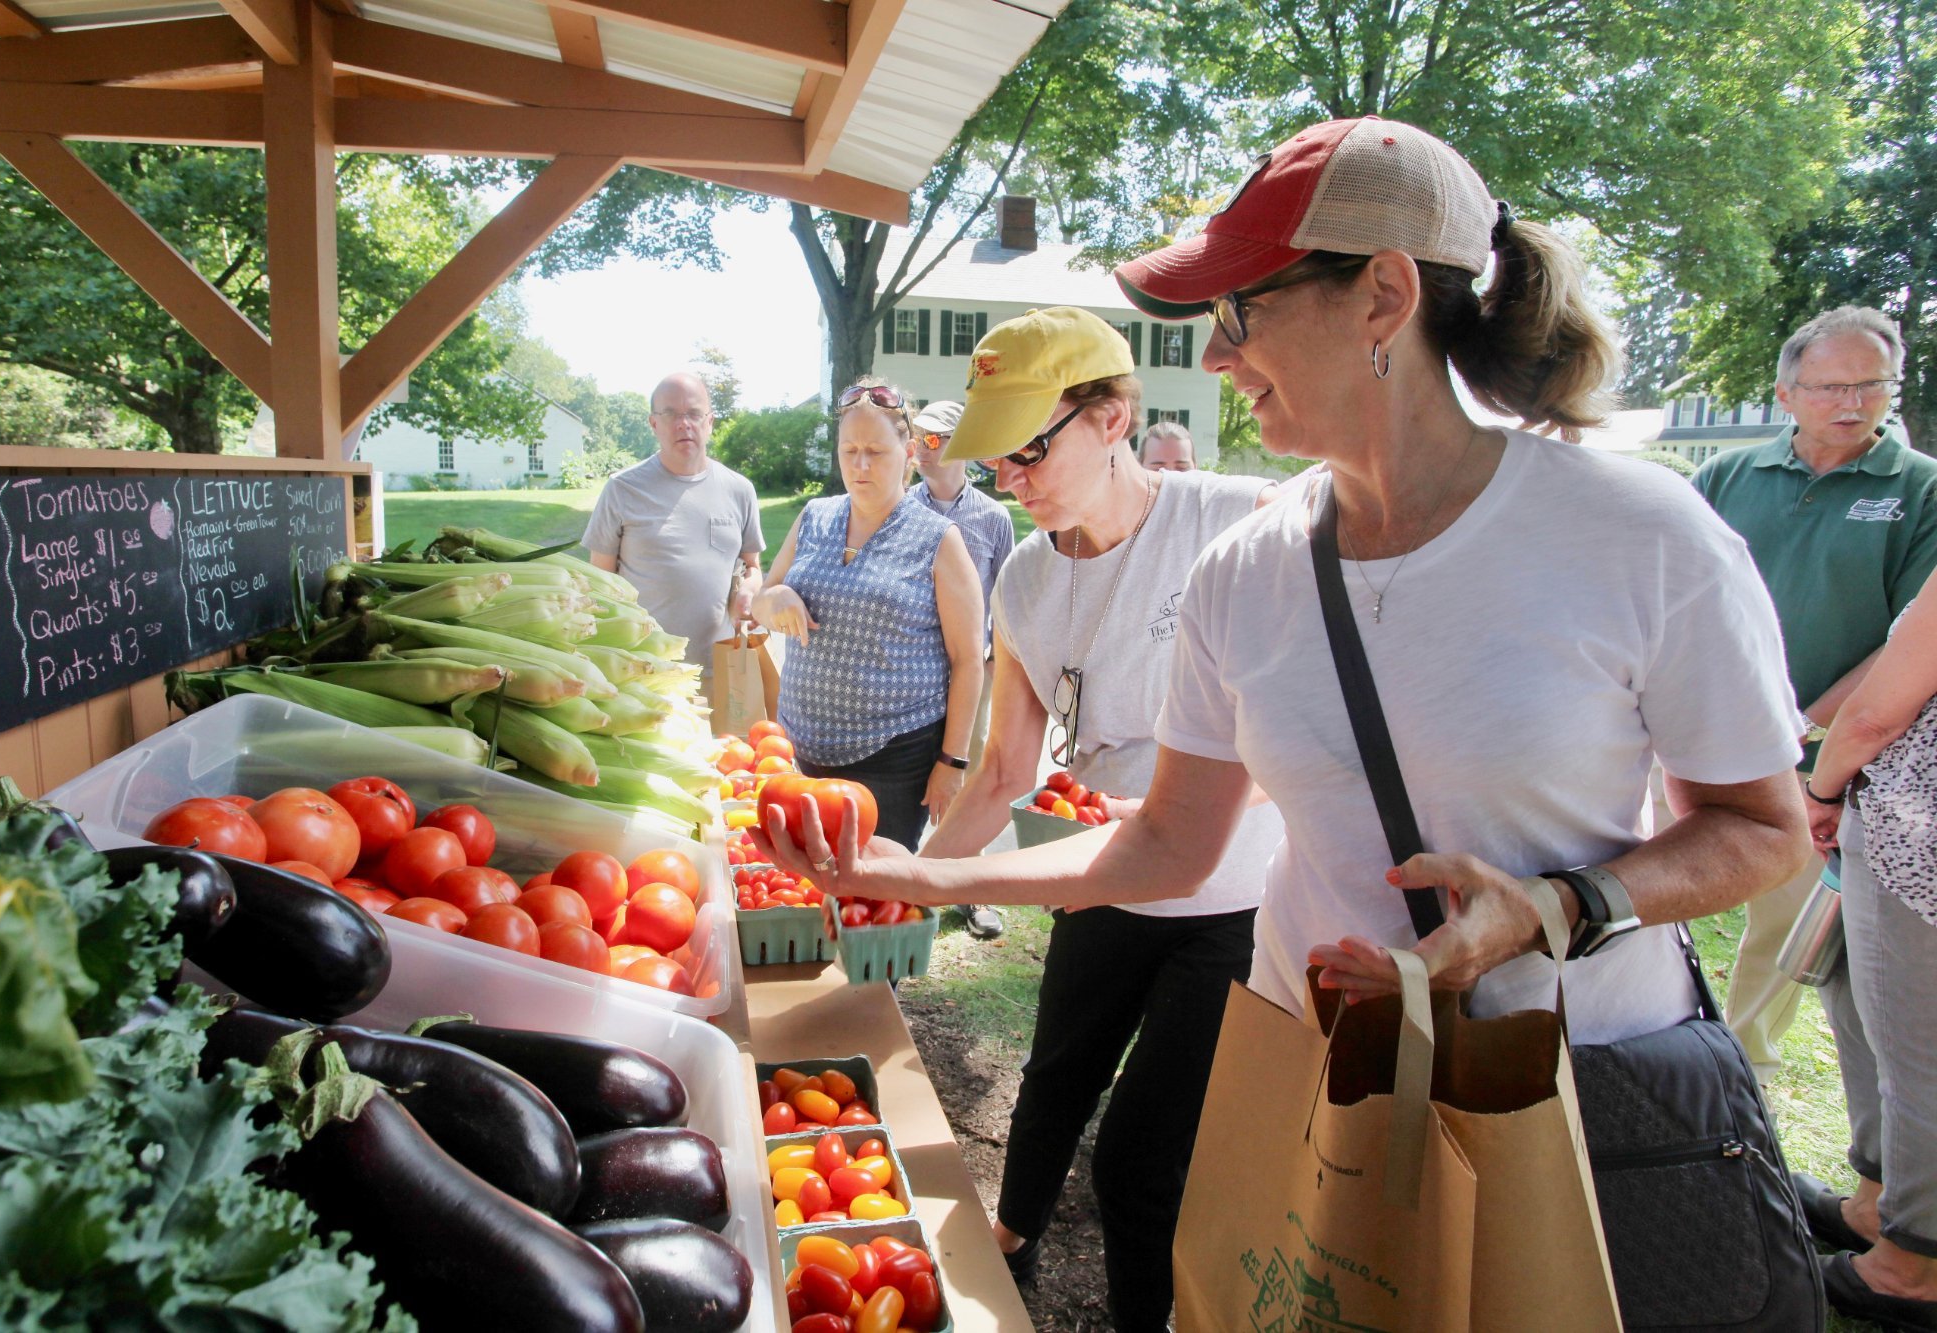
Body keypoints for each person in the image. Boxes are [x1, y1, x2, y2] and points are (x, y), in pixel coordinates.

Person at [750, 118, 1811, 1325]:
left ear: (1384, 297)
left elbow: (1766, 832)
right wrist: (924, 876)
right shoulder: (1244, 575)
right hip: (1305, 1065)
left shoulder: (1639, 535)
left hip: (1558, 1083)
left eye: (1243, 312)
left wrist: (1559, 906)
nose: (1214, 356)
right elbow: (1165, 847)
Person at [916, 305, 1283, 1326]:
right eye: (995, 460)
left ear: (1113, 416)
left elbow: (1313, 717)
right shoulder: (1025, 574)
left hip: (1232, 900)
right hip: (1098, 874)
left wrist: (1186, 801)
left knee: (1140, 1159)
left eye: (1027, 451)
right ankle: (1012, 1235)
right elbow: (1001, 773)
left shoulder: (1244, 518)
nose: (1009, 480)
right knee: (1052, 1075)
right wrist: (897, 885)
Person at [1692, 305, 1937, 1084]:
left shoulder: (1920, 489)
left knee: (1778, 923)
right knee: (1647, 887)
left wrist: (1809, 723)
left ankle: (1742, 1074)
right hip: (1694, 730)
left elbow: (1908, 644)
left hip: (1818, 753)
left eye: (1872, 385)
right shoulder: (1729, 475)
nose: (1852, 402)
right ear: (1786, 393)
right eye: (1831, 385)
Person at [753, 379, 985, 847]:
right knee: (808, 891)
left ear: (910, 451)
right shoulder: (815, 516)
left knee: (877, 902)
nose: (860, 465)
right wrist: (773, 599)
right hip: (801, 753)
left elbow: (968, 660)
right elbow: (763, 598)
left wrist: (952, 762)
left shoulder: (939, 540)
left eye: (875, 451)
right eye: (849, 450)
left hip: (892, 763)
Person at [1797, 570, 1937, 1328]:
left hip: (1917, 838)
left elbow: (1875, 714)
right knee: (1859, 1002)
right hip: (1907, 835)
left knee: (1914, 1047)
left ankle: (1910, 1267)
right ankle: (1876, 1205)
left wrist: (1820, 791)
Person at [909, 398, 1017, 937]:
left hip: (974, 669)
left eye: (934, 438)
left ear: (962, 448)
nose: (921, 449)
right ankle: (907, 882)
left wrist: (999, 662)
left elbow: (1005, 598)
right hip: (913, 664)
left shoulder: (993, 518)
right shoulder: (900, 506)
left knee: (970, 775)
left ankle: (968, 890)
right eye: (917, 437)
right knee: (915, 767)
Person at [581, 371, 764, 677]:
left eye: (694, 413)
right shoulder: (622, 489)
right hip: (643, 672)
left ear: (710, 422)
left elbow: (753, 566)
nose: (684, 424)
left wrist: (749, 590)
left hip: (721, 669)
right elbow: (600, 582)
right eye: (670, 413)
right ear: (654, 423)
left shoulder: (739, 489)